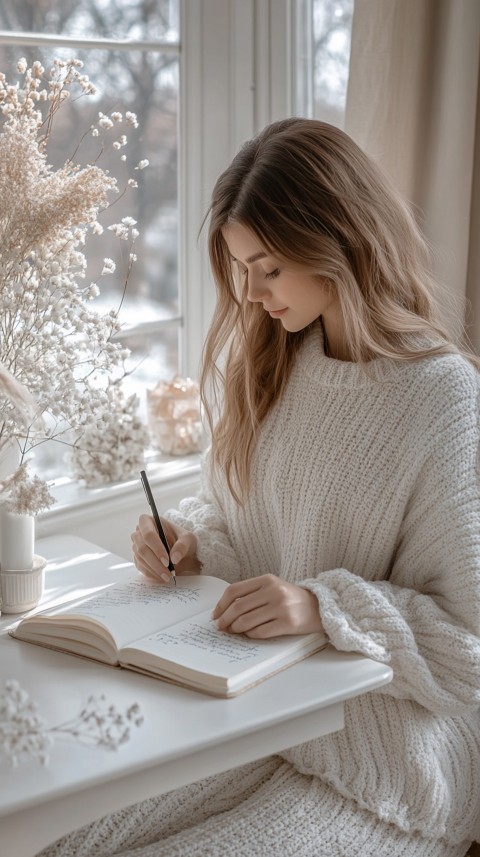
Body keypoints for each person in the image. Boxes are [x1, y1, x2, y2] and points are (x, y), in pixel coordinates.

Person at [39, 118, 480, 857]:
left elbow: (468, 644)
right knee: (64, 836)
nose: (248, 292)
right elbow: (248, 520)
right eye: (242, 268)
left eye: (268, 267)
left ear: (337, 241)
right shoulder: (279, 363)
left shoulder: (442, 398)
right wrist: (191, 540)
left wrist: (322, 604)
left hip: (389, 749)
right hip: (257, 709)